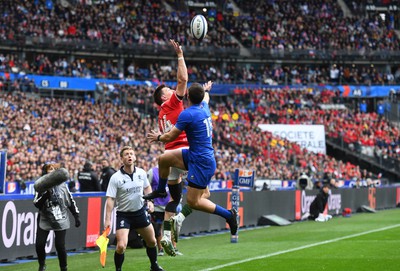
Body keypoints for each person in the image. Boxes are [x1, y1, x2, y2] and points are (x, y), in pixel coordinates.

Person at [146, 82, 238, 240]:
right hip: (193, 153)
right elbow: (206, 97)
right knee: (164, 159)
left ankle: (229, 215)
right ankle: (161, 191)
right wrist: (205, 90)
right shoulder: (205, 107)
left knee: (194, 201)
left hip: (201, 161)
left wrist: (158, 137)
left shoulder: (187, 114)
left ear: (187, 97)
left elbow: (170, 136)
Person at [143, 39, 209, 256]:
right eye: (169, 90)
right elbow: (183, 78)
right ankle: (178, 222)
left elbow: (193, 99)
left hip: (171, 157)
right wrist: (180, 54)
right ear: (164, 96)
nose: (174, 90)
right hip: (185, 153)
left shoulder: (163, 112)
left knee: (174, 201)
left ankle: (168, 243)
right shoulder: (172, 103)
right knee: (204, 194)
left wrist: (204, 93)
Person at [104, 146, 164, 271]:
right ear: (121, 158)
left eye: (131, 153)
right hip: (124, 215)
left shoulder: (141, 173)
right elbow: (110, 199)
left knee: (152, 241)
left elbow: (147, 188)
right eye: (126, 154)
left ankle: (154, 266)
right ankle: (118, 269)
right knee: (121, 246)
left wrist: (150, 201)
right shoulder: (115, 177)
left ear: (135, 157)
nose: (129, 156)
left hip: (140, 213)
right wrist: (107, 219)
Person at [33, 161, 81, 271]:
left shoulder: (63, 186)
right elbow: (36, 203)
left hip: (60, 217)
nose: (51, 171)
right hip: (45, 218)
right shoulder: (40, 186)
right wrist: (45, 195)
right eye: (49, 169)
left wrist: (76, 215)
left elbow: (70, 201)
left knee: (60, 246)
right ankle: (42, 265)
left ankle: (63, 267)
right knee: (40, 244)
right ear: (45, 172)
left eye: (53, 169)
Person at [148, 166, 183, 256]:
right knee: (158, 228)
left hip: (171, 204)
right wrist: (150, 201)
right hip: (157, 205)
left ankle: (174, 247)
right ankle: (160, 249)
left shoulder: (174, 170)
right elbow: (147, 186)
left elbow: (178, 185)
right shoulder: (152, 171)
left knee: (173, 226)